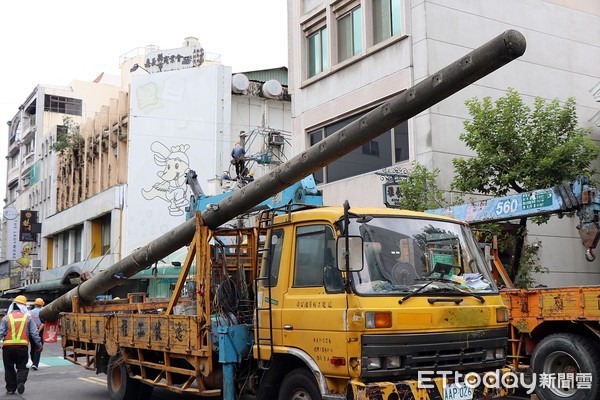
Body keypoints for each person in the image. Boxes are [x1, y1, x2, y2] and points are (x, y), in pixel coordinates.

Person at [0, 295, 42, 395]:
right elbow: (34, 333)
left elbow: (1, 333)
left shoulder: (6, 318)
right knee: (22, 366)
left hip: (8, 348)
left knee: (9, 368)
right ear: (23, 307)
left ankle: (10, 389)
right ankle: (20, 381)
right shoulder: (27, 318)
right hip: (22, 347)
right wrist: (39, 344)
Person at [29, 298, 45, 370]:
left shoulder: (30, 312)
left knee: (33, 347)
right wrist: (38, 331)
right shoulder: (44, 312)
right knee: (38, 347)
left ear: (35, 304)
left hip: (31, 332)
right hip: (40, 332)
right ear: (42, 305)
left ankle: (33, 362)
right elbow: (44, 323)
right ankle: (35, 364)